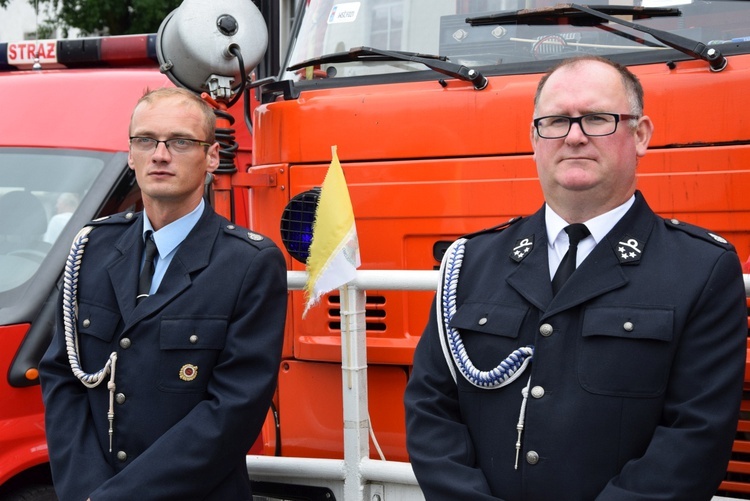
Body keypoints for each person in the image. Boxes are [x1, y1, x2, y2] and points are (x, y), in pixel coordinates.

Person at [404, 56, 747, 501]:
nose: (574, 136)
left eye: (597, 119)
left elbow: (696, 436)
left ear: (640, 135)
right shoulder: (470, 261)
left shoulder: (701, 269)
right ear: (533, 138)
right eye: (555, 122)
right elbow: (430, 408)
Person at [39, 87, 287, 501]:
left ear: (211, 157)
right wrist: (86, 489)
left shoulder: (249, 264)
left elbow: (232, 412)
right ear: (131, 154)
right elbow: (61, 375)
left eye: (180, 141)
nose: (159, 154)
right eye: (146, 140)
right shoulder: (91, 248)